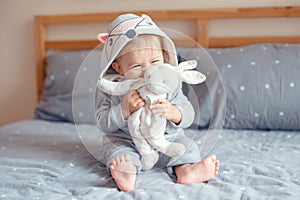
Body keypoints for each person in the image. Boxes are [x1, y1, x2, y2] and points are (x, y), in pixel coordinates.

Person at [95, 13, 219, 192]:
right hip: (128, 142)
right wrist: (123, 109)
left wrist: (174, 113)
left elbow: (188, 113)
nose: (148, 71)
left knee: (187, 146)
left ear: (164, 57)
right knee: (117, 152)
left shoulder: (168, 83)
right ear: (118, 67)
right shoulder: (111, 88)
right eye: (137, 66)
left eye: (155, 61)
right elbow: (102, 122)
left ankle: (186, 170)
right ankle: (127, 172)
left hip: (167, 140)